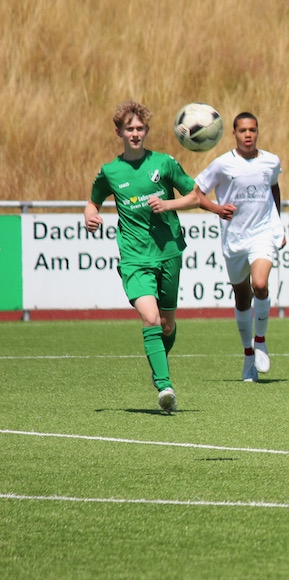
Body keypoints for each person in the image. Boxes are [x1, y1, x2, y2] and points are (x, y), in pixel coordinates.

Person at [85, 100, 200, 413]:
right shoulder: (110, 171)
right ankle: (165, 386)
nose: (135, 133)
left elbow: (195, 195)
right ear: (119, 132)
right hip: (134, 257)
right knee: (150, 318)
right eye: (129, 129)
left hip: (169, 252)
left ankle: (158, 363)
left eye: (139, 128)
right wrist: (90, 216)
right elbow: (93, 202)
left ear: (147, 130)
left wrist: (169, 205)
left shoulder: (164, 163)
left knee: (166, 325)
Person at [192, 112, 285, 382]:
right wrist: (217, 209)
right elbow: (196, 193)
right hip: (234, 239)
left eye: (252, 130)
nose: (248, 135)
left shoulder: (271, 161)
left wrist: (277, 224)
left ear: (257, 132)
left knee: (260, 284)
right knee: (242, 298)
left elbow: (274, 188)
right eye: (243, 130)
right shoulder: (222, 164)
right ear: (234, 133)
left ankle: (261, 340)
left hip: (262, 233)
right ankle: (248, 355)